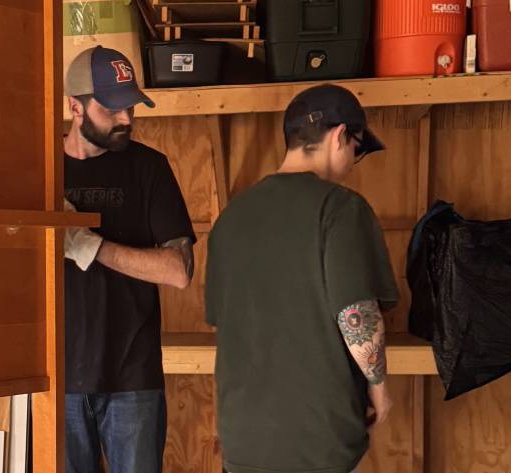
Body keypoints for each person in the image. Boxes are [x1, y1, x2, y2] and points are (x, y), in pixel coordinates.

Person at [205, 84, 400, 473]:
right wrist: (379, 389)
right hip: (316, 443)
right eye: (357, 151)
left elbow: (220, 320)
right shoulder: (341, 208)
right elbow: (356, 314)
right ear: (340, 136)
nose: (352, 164)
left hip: (243, 441)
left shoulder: (230, 219)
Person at [61, 46, 196, 473]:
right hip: (56, 376)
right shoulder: (39, 171)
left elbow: (178, 271)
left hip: (131, 379)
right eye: (112, 109)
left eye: (131, 107)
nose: (126, 119)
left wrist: (90, 246)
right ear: (74, 107)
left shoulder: (149, 169)